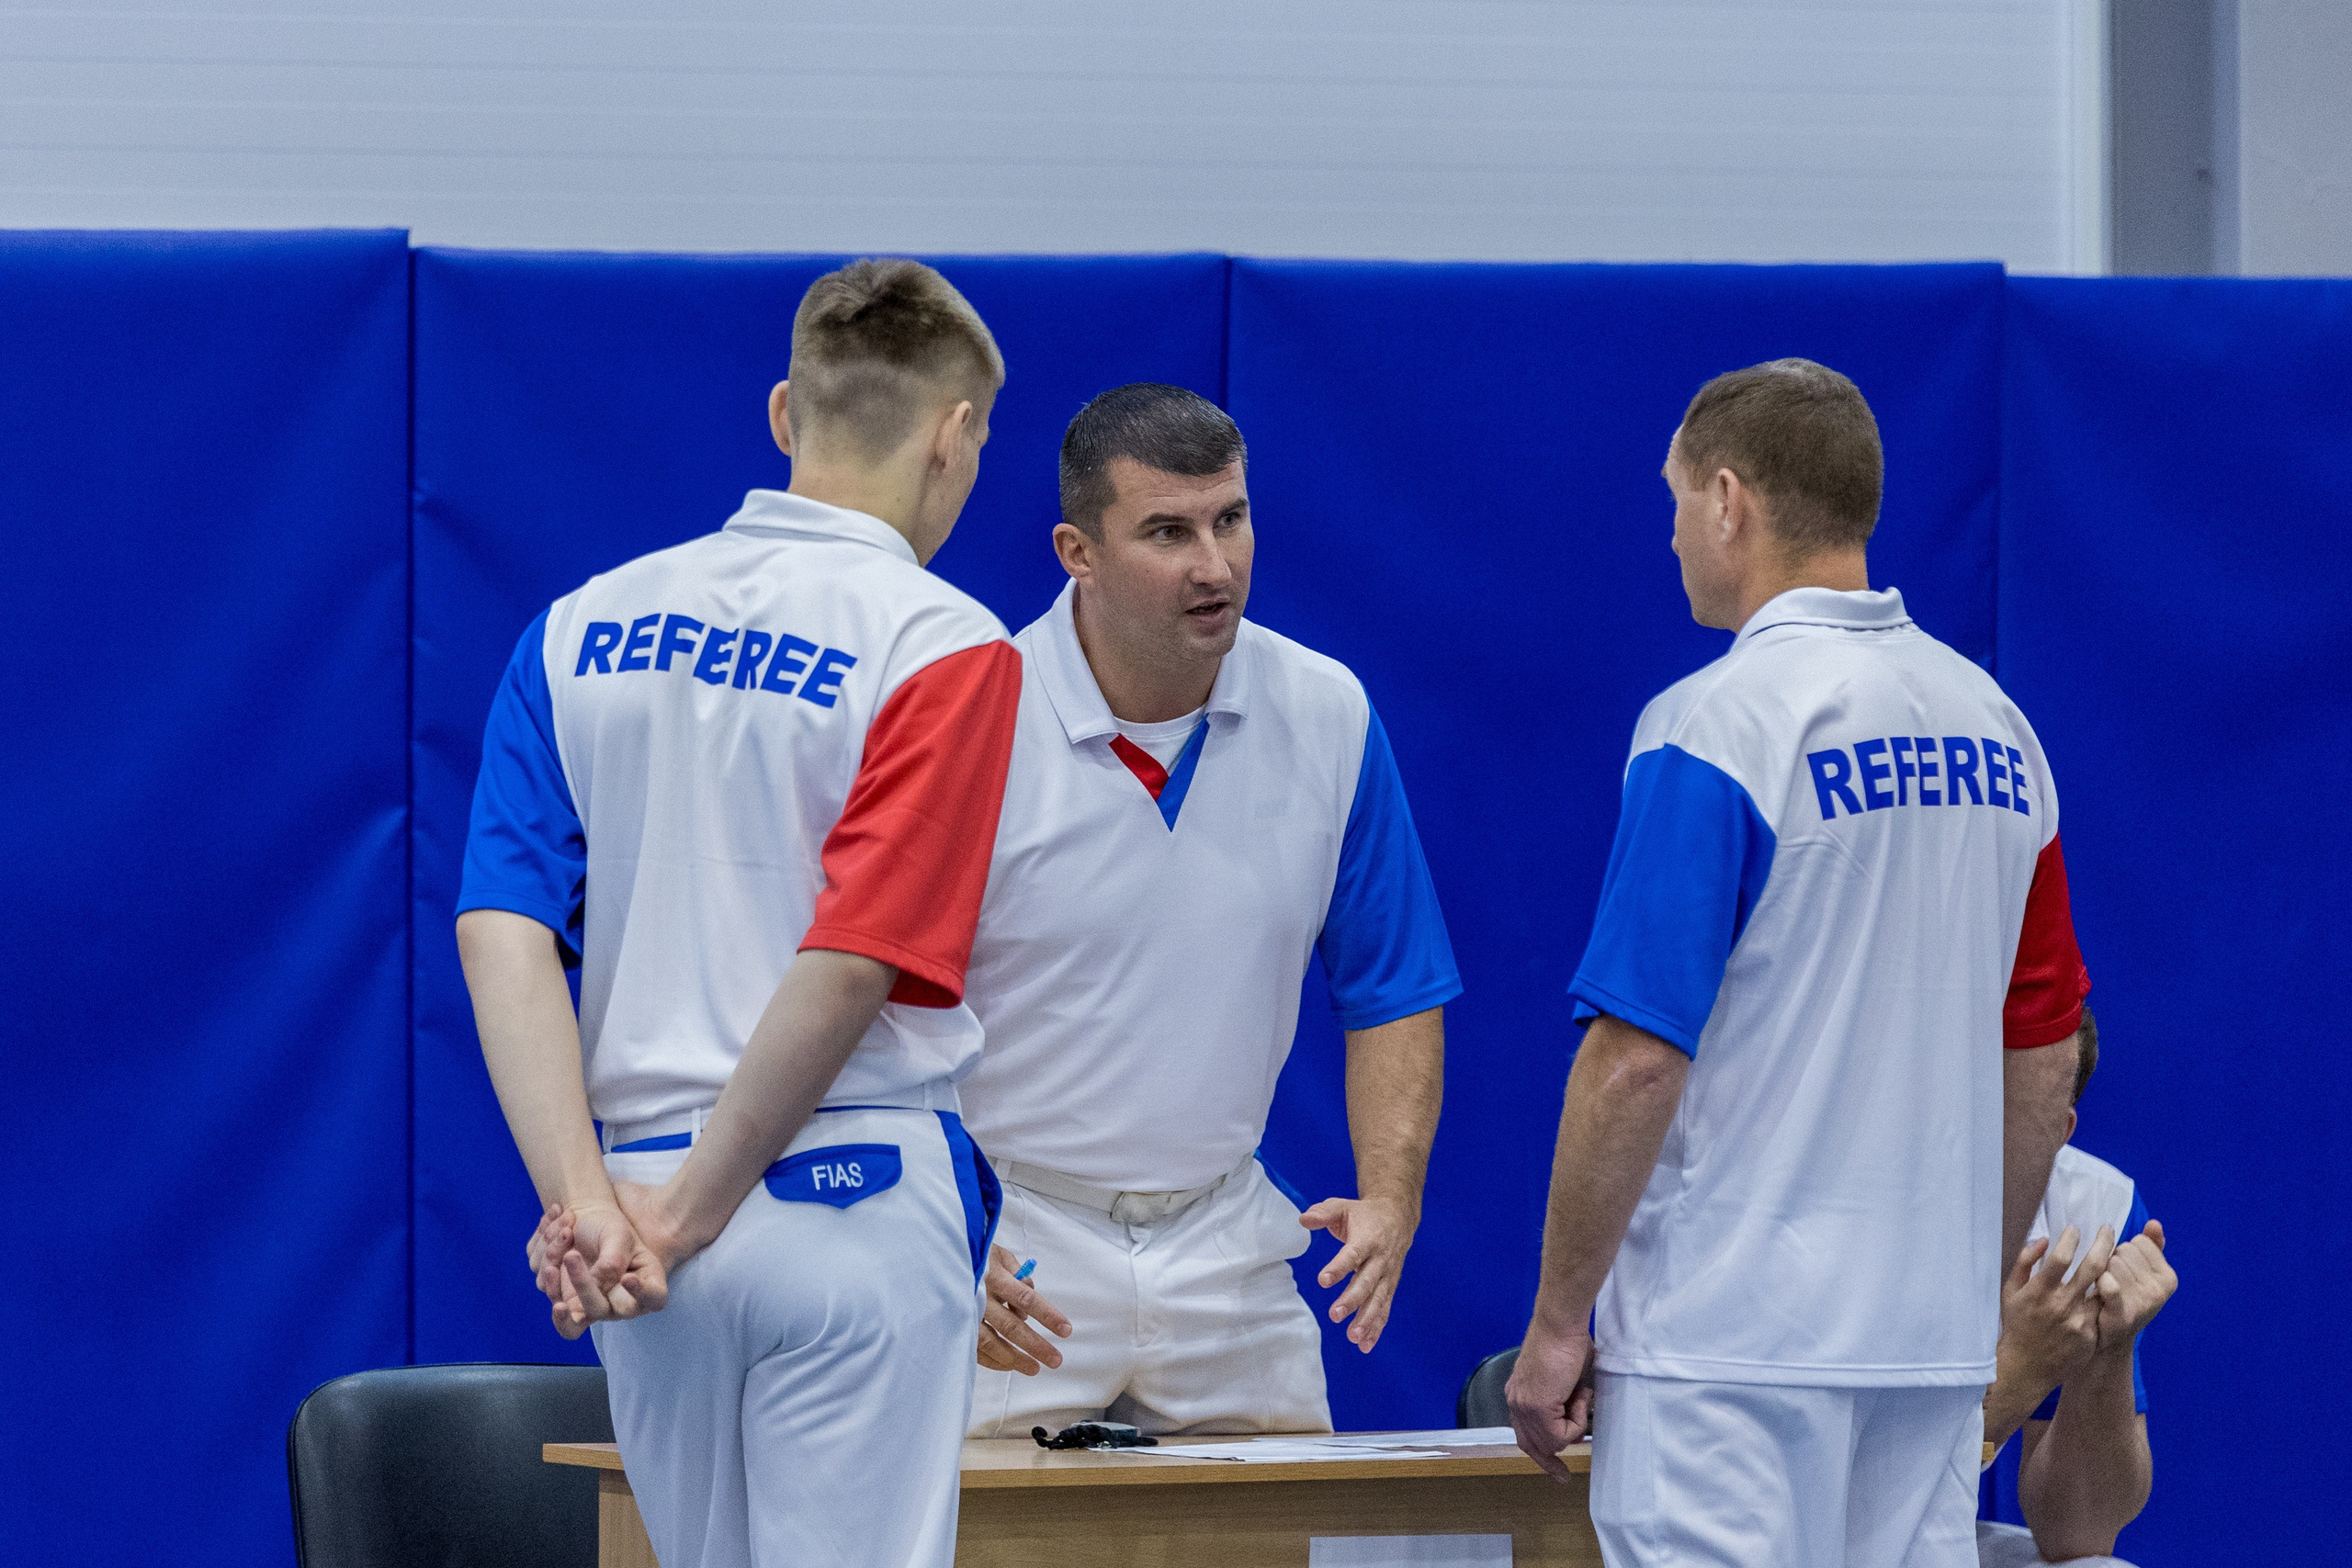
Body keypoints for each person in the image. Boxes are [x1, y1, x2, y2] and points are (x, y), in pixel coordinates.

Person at [455, 258, 1023, 1568]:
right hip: (844, 1197)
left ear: (783, 412)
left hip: (638, 1212)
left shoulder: (576, 627)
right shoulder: (943, 640)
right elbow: (857, 955)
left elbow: (502, 929)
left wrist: (592, 1210)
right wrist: (691, 1210)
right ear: (954, 436)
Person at [1507, 358, 2091, 1567]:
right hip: (1926, 1356)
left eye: (1675, 499)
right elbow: (2041, 1059)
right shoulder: (2000, 730)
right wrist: (1962, 1290)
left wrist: (1559, 1322)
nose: (1671, 534)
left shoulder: (1716, 722)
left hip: (1726, 1353)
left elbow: (1634, 1058)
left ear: (1728, 499)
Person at [958, 383, 1460, 1438]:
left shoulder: (1327, 709)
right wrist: (939, 1229)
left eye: (1230, 519)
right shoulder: (966, 717)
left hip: (1227, 1239)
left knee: (1289, 1517)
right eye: (1167, 532)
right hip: (1011, 1240)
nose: (1214, 565)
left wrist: (1391, 1193)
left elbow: (1393, 986)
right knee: (966, 1524)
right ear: (1077, 551)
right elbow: (873, 1009)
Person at [1978, 1010, 2177, 1568]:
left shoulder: (2094, 1210)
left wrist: (2107, 1352)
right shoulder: (1840, 1195)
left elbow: (2076, 1532)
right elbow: (1854, 1488)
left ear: (2057, 1132)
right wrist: (2021, 1373)